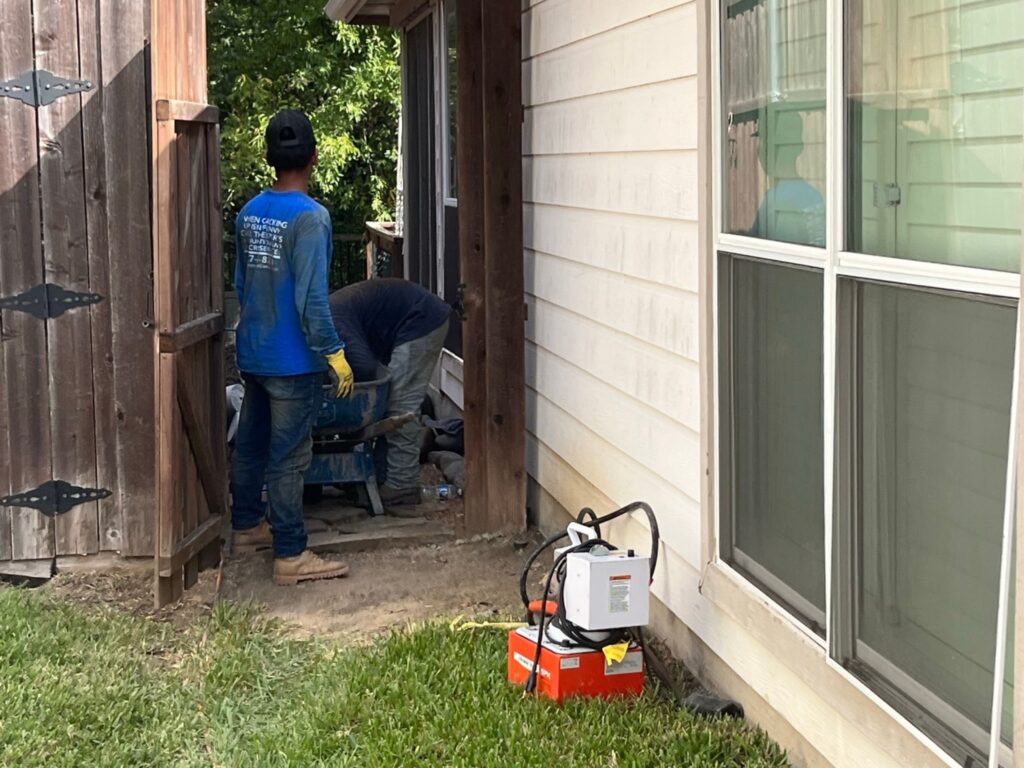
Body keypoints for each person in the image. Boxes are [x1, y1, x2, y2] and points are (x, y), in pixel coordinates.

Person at [230, 109, 356, 586]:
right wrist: (334, 354)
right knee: (288, 457)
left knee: (251, 444)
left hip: (254, 352)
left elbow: (242, 284)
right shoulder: (311, 218)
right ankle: (290, 554)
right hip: (293, 361)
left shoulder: (249, 213)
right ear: (314, 157)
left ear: (270, 159)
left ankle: (246, 526)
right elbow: (313, 299)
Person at [329, 278, 453, 506]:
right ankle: (382, 477)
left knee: (399, 405)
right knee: (388, 404)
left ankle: (401, 485)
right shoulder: (326, 317)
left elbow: (366, 369)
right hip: (407, 318)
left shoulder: (331, 323)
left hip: (420, 320)